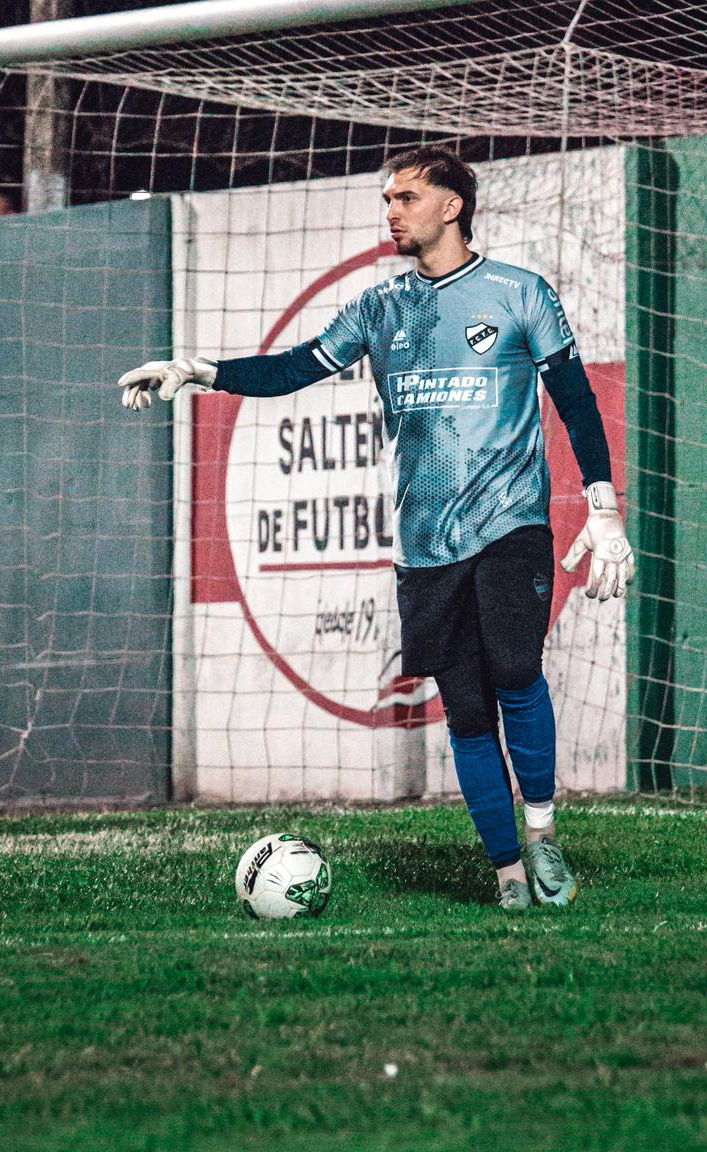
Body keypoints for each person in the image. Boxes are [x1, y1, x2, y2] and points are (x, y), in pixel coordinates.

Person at [118, 147, 633, 910]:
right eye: (387, 198)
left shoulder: (518, 293)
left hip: (511, 525)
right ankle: (509, 877)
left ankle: (544, 833)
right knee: (464, 709)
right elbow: (295, 367)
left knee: (517, 668)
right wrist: (199, 370)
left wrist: (603, 503)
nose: (390, 210)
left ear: (451, 205)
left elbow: (577, 400)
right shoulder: (378, 309)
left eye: (405, 196)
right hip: (425, 547)